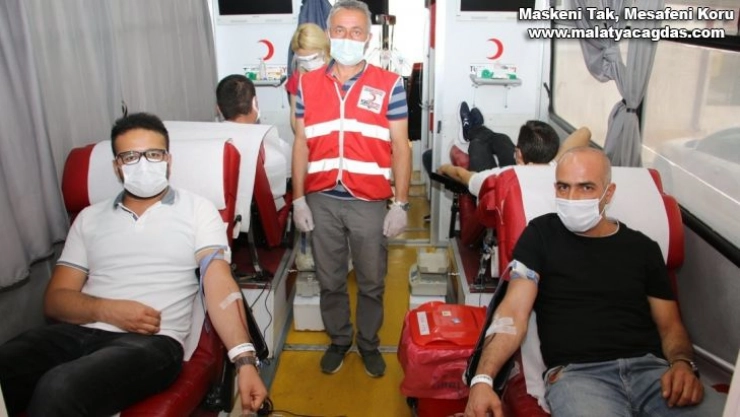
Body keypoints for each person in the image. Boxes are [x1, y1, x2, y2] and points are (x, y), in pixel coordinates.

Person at [0, 113, 267, 416]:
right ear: (117, 166)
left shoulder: (198, 210)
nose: (143, 164)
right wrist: (108, 310)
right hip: (77, 333)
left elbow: (218, 282)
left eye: (153, 154)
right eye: (130, 157)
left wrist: (244, 360)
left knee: (59, 387)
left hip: (151, 342)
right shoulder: (89, 218)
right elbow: (55, 301)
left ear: (168, 160)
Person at [461, 147, 726, 417]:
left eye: (585, 187)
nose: (571, 198)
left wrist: (682, 364)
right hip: (580, 378)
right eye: (563, 187)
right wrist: (482, 379)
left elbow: (670, 326)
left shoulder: (643, 248)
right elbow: (513, 313)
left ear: (608, 194)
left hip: (652, 374)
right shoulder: (540, 236)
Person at [291, 0, 411, 378]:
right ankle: (340, 339)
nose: (348, 38)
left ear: (368, 38)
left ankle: (369, 343)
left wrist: (401, 204)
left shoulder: (389, 84)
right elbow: (301, 143)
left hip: (369, 200)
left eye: (356, 31)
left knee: (372, 281)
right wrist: (297, 199)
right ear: (329, 35)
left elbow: (401, 146)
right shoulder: (307, 84)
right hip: (322, 198)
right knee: (330, 280)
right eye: (340, 30)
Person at [438, 123, 591, 197]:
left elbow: (461, 175)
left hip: (494, 195)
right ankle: (478, 129)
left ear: (519, 154)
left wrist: (444, 168)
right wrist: (553, 162)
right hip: (534, 164)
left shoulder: (497, 178)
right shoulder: (556, 171)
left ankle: (475, 131)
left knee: (478, 144)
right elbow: (585, 133)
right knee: (502, 139)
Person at [217, 74, 291, 210]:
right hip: (264, 217)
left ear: (218, 108)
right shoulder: (276, 146)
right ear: (255, 103)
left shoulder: (207, 146)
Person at [286, 23, 331, 133]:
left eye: (313, 58)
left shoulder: (338, 74)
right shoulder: (297, 79)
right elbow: (295, 119)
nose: (309, 63)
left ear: (324, 49)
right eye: (303, 60)